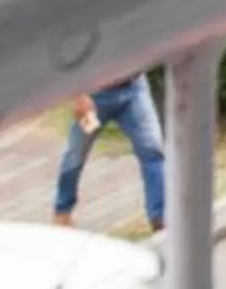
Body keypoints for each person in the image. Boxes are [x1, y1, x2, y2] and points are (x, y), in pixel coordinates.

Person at [54, 71, 165, 234]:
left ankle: (160, 217)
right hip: (93, 98)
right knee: (75, 154)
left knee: (153, 150)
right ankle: (62, 211)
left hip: (133, 89)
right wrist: (79, 95)